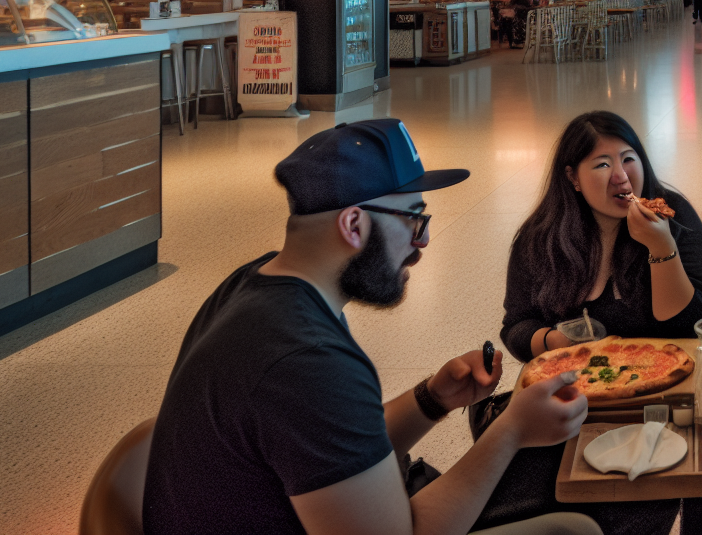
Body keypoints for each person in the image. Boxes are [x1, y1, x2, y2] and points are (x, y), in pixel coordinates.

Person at [142, 119, 600, 535]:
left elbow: (334, 452)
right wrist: (512, 430)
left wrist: (432, 399)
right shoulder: (305, 359)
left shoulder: (261, 284)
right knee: (574, 531)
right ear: (353, 223)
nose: (421, 246)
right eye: (414, 221)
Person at [495, 112, 702, 535]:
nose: (621, 177)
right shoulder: (541, 238)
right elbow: (516, 326)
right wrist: (553, 340)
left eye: (629, 158)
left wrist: (661, 248)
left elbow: (695, 327)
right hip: (571, 407)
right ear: (572, 178)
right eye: (601, 164)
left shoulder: (673, 216)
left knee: (636, 509)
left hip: (659, 406)